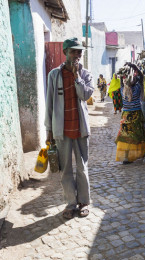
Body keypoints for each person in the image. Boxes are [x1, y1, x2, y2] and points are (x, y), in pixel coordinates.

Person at [45, 37, 94, 219]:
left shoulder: (86, 74)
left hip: (80, 130)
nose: (77, 55)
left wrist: (77, 77)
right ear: (65, 52)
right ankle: (70, 203)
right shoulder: (54, 75)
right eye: (73, 51)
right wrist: (49, 130)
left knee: (82, 168)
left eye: (79, 52)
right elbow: (49, 103)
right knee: (65, 169)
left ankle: (83, 202)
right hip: (62, 130)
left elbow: (85, 95)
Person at [115, 63, 145, 164]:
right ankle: (138, 154)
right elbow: (141, 77)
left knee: (126, 136)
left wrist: (123, 73)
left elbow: (121, 79)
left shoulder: (123, 90)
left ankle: (126, 157)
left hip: (126, 116)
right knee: (137, 135)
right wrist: (133, 66)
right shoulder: (137, 89)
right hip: (136, 114)